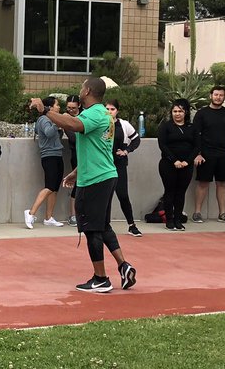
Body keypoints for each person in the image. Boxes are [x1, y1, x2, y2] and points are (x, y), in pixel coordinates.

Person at [30, 78, 137, 293]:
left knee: (90, 229)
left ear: (87, 90)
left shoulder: (94, 114)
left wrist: (44, 111)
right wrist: (76, 172)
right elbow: (98, 147)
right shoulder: (104, 115)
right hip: (102, 175)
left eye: (81, 87)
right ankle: (124, 266)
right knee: (102, 225)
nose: (79, 90)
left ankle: (101, 278)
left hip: (96, 180)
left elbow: (73, 124)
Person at [191, 86, 225, 224]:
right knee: (203, 183)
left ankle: (222, 213)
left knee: (222, 183)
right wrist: (197, 153)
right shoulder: (202, 113)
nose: (218, 97)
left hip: (223, 153)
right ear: (211, 96)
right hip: (205, 154)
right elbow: (196, 135)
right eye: (216, 94)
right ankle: (197, 212)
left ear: (224, 97)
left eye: (221, 95)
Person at [23, 95, 65, 229]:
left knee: (54, 189)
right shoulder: (44, 119)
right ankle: (30, 213)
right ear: (50, 107)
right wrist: (58, 123)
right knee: (49, 187)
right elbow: (48, 133)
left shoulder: (49, 119)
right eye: (57, 105)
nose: (59, 107)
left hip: (57, 155)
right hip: (49, 156)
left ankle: (49, 217)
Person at [157, 98, 195, 231]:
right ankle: (169, 220)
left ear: (186, 112)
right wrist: (174, 160)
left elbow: (197, 146)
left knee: (181, 193)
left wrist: (187, 161)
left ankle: (178, 220)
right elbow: (163, 145)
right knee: (170, 192)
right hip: (168, 164)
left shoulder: (192, 127)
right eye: (175, 111)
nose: (177, 114)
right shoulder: (165, 126)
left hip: (186, 165)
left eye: (180, 111)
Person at [105, 99, 142, 237]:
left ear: (117, 111)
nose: (109, 112)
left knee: (122, 195)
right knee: (105, 196)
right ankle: (105, 225)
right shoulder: (100, 124)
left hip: (119, 163)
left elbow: (136, 139)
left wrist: (126, 151)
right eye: (107, 109)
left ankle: (132, 225)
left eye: (112, 109)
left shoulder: (124, 124)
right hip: (104, 164)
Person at [62, 95, 82, 224]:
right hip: (76, 155)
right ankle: (73, 215)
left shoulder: (85, 116)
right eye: (68, 107)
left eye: (73, 108)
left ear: (79, 106)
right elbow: (73, 137)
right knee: (77, 184)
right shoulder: (66, 119)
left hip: (88, 154)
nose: (71, 110)